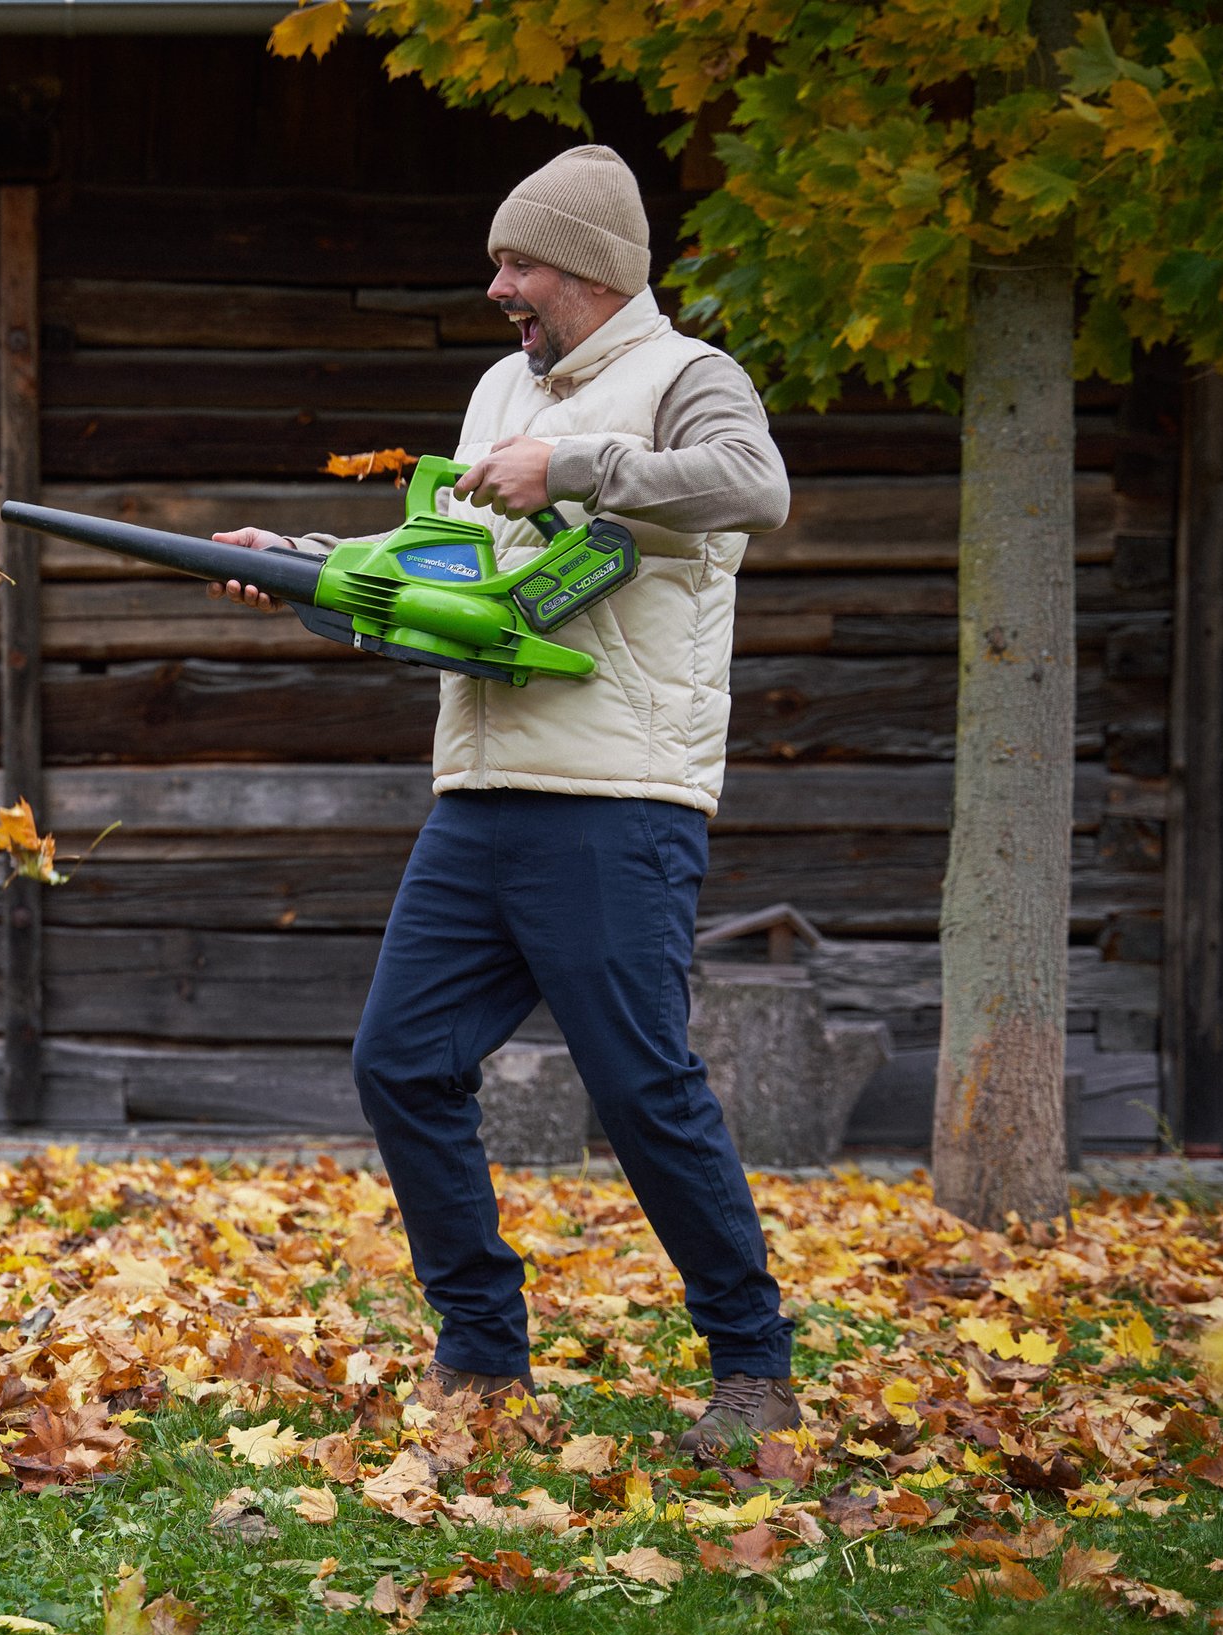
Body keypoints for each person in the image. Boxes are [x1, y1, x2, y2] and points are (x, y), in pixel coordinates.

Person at [211, 145, 801, 1458]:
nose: (496, 289)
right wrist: (304, 562)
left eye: (518, 263)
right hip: (479, 787)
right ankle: (482, 1358)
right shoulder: (499, 390)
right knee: (401, 1062)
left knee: (639, 1088)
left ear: (587, 271)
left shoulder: (686, 375)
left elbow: (755, 487)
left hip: (615, 794)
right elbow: (450, 563)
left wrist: (578, 466)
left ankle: (754, 1371)